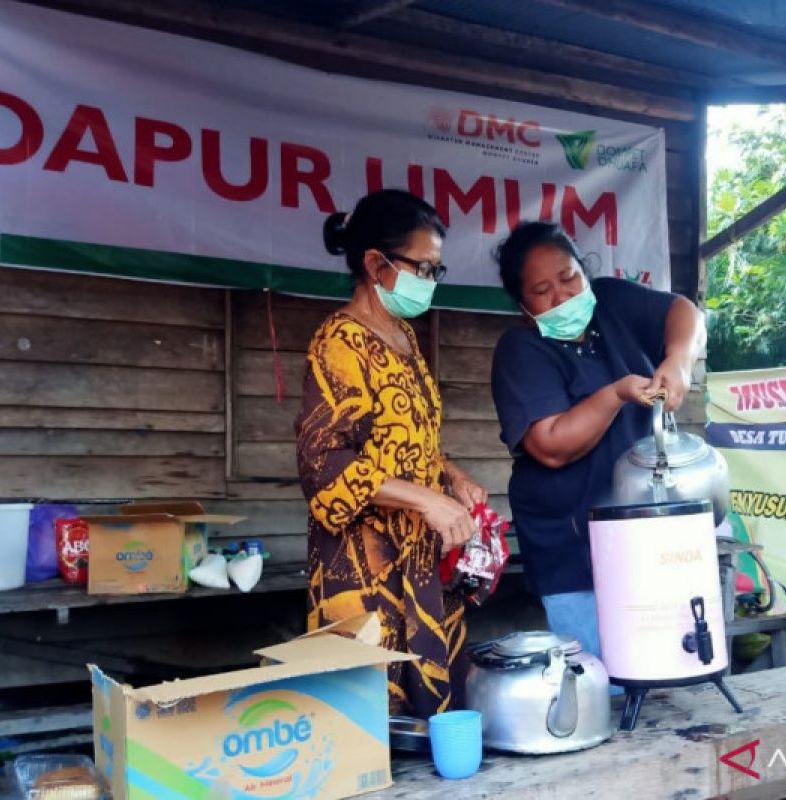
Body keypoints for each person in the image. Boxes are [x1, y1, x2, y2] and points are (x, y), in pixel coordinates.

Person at [296, 189, 487, 717]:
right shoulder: (338, 342)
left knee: (436, 723)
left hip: (420, 562)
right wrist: (425, 500)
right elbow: (325, 464)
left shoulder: (403, 336)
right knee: (372, 723)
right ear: (376, 264)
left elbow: (409, 439)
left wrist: (451, 478)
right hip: (365, 569)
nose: (429, 281)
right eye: (422, 268)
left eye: (436, 271)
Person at [489, 221, 706, 658]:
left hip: (649, 533)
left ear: (584, 271)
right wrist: (616, 392)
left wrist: (679, 361)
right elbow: (550, 445)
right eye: (542, 290)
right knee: (604, 679)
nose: (563, 295)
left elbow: (685, 312)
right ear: (523, 306)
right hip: (573, 549)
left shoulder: (611, 302)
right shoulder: (521, 351)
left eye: (569, 278)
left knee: (667, 661)